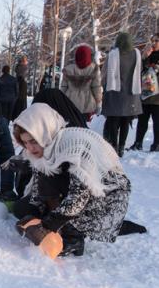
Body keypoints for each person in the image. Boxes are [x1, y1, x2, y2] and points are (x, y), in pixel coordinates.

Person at [11, 103, 144, 257]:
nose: (30, 148)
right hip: (76, 195)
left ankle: (74, 238)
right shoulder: (51, 146)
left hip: (104, 197)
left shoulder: (72, 146)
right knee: (22, 208)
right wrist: (36, 210)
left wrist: (46, 226)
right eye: (25, 143)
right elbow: (38, 186)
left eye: (33, 141)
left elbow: (79, 197)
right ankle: (63, 224)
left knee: (49, 185)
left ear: (45, 131)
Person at [102, 32, 142, 157]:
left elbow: (105, 72)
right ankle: (121, 147)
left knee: (113, 120)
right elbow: (139, 70)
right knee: (125, 121)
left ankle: (113, 145)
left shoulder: (113, 54)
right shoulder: (136, 54)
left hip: (115, 92)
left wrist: (103, 85)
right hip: (131, 93)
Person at [129, 33, 159, 152]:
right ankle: (138, 142)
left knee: (157, 122)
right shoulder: (148, 54)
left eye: (157, 40)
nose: (154, 43)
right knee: (142, 120)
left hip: (157, 96)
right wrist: (144, 57)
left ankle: (156, 144)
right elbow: (138, 70)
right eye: (153, 40)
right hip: (146, 93)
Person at [61, 45, 102, 120]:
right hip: (88, 104)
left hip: (70, 103)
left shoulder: (68, 70)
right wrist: (98, 104)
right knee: (84, 129)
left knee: (71, 128)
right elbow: (96, 88)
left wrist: (61, 102)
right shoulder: (93, 69)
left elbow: (63, 88)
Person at [12, 55, 28, 120]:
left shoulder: (18, 67)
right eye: (26, 60)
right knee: (22, 104)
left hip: (18, 86)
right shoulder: (23, 67)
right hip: (22, 87)